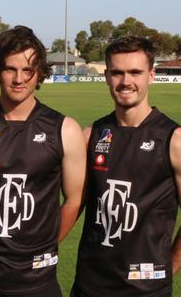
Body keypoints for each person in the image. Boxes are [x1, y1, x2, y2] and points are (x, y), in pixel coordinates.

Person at [0, 26, 86, 296]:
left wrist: (46, 243)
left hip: (37, 280)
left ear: (39, 74)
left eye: (28, 70)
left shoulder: (65, 130)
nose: (19, 79)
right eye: (10, 69)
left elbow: (74, 200)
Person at [71, 36, 181, 297]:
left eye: (135, 72)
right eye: (118, 73)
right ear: (107, 76)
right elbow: (73, 203)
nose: (126, 81)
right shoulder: (92, 135)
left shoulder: (173, 139)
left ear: (151, 75)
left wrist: (169, 267)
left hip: (146, 290)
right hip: (90, 285)